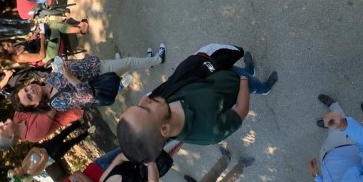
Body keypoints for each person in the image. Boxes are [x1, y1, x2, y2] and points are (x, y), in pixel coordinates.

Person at [117, 44, 277, 162]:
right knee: (254, 84)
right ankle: (264, 88)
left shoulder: (162, 102)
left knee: (243, 72)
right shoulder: (210, 132)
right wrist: (243, 81)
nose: (145, 99)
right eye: (145, 109)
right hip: (239, 87)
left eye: (138, 104)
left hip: (224, 72)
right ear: (164, 129)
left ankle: (248, 70)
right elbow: (241, 109)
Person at [12, 46, 166, 116]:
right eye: (29, 97)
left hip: (94, 65)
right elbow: (87, 96)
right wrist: (69, 77)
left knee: (126, 64)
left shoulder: (47, 79)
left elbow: (67, 68)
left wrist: (65, 64)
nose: (30, 91)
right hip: (99, 75)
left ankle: (148, 61)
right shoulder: (56, 102)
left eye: (26, 89)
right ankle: (157, 59)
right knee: (128, 62)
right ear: (35, 105)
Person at [0, 105, 85, 152]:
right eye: (1, 128)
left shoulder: (17, 117)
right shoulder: (32, 135)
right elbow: (51, 105)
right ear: (11, 137)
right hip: (73, 104)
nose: (1, 123)